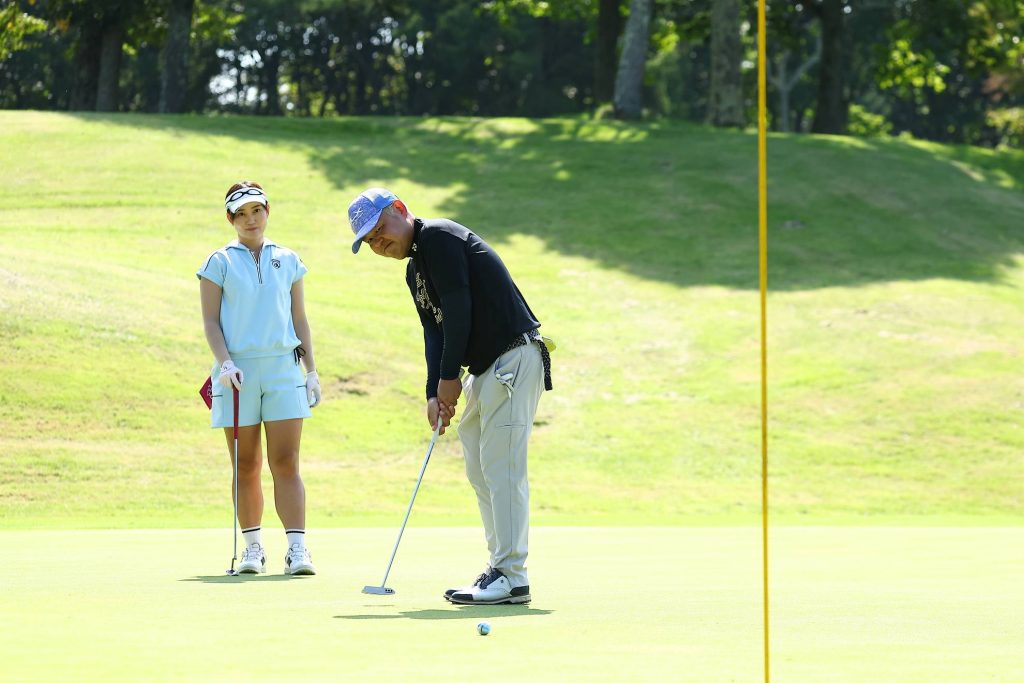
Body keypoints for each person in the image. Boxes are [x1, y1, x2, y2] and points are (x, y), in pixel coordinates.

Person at [348, 188, 552, 605]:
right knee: (479, 468)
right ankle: (500, 568)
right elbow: (435, 332)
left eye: (380, 229)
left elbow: (460, 310)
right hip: (486, 367)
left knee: (501, 467)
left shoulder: (439, 237)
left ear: (400, 210)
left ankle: (512, 575)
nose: (378, 242)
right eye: (369, 241)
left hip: (512, 356)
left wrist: (448, 379)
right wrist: (433, 391)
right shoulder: (415, 271)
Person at [198, 181, 321, 576]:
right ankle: (253, 550)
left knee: (286, 461)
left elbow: (299, 318)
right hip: (237, 374)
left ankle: (297, 550)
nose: (250, 219)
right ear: (230, 219)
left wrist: (311, 371)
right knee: (246, 463)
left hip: (283, 369)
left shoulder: (288, 259)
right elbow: (210, 321)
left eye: (256, 211)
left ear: (267, 211)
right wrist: (225, 363)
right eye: (241, 213)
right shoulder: (218, 262)